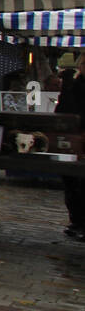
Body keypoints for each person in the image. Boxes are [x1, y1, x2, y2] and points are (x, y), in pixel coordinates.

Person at [58, 56, 85, 240]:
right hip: (73, 139)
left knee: (78, 182)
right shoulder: (74, 86)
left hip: (79, 138)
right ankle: (77, 221)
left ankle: (79, 222)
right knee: (72, 180)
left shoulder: (74, 86)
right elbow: (62, 111)